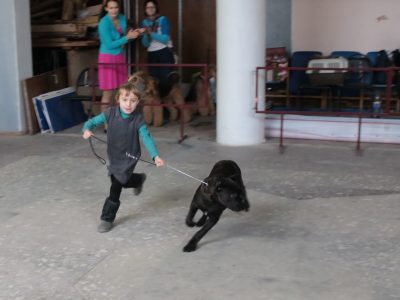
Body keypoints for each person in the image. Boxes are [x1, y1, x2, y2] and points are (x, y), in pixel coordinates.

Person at [82, 82, 165, 233]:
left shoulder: (138, 119)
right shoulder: (110, 113)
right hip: (114, 156)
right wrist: (87, 129)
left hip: (128, 158)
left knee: (116, 186)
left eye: (133, 100)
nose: (129, 104)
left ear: (138, 102)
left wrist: (155, 156)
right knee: (121, 181)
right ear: (118, 99)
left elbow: (147, 138)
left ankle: (107, 218)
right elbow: (92, 122)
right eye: (125, 99)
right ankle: (138, 179)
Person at [98, 0, 145, 111]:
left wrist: (135, 33)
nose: (114, 10)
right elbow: (109, 45)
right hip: (107, 58)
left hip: (119, 56)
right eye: (111, 8)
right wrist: (128, 37)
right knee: (108, 93)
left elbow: (122, 38)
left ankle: (119, 121)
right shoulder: (103, 23)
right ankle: (106, 125)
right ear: (106, 9)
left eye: (116, 7)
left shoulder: (122, 18)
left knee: (121, 92)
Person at [140, 0, 175, 97]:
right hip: (152, 54)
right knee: (154, 82)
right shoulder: (144, 22)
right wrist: (146, 35)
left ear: (156, 8)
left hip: (165, 52)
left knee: (165, 81)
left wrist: (151, 33)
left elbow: (165, 38)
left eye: (152, 7)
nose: (150, 9)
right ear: (145, 10)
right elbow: (145, 43)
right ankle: (160, 106)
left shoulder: (163, 19)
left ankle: (166, 104)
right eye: (148, 7)